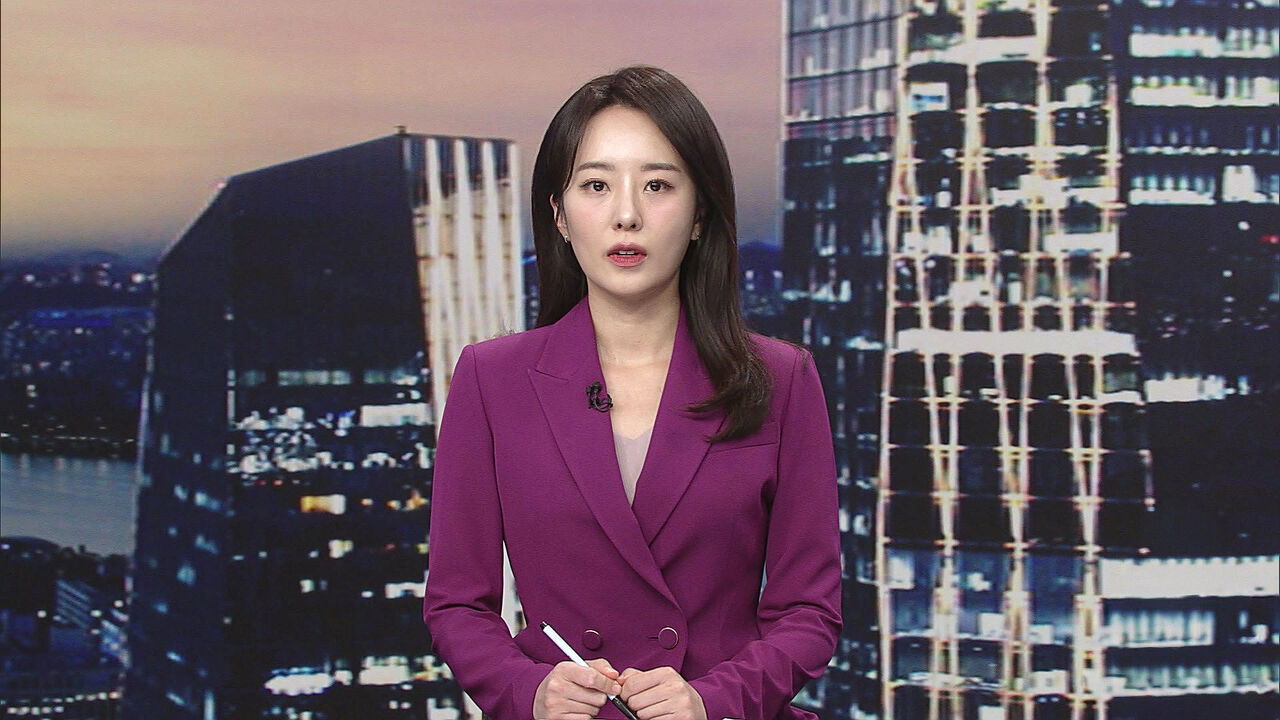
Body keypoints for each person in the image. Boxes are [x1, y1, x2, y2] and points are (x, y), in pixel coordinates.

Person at [422, 66, 841, 720]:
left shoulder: (780, 379)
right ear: (560, 215)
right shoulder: (491, 379)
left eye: (657, 185)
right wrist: (529, 690)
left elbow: (808, 611)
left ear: (700, 214)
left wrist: (710, 699)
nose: (627, 215)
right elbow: (456, 604)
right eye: (596, 185)